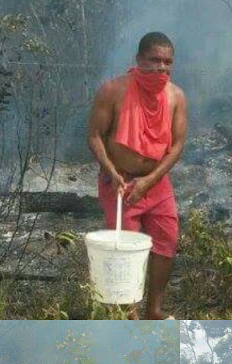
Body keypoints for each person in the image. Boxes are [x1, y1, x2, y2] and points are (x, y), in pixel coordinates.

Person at [88, 32, 187, 320]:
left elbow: (177, 145)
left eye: (167, 62)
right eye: (154, 60)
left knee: (166, 243)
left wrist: (150, 181)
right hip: (120, 185)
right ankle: (129, 317)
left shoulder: (176, 96)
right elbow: (94, 135)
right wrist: (110, 170)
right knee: (125, 254)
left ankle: (154, 310)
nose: (161, 68)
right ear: (139, 59)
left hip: (155, 183)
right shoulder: (112, 90)